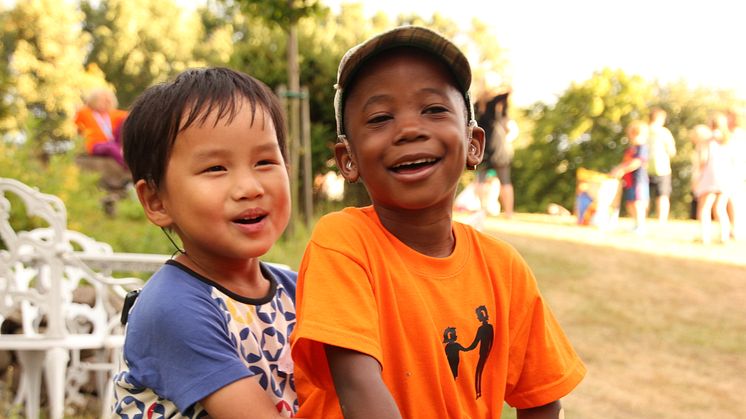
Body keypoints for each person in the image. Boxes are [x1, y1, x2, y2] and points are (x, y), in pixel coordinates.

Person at [291, 26, 586, 419]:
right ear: (349, 160)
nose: (410, 129)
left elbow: (543, 398)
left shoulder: (504, 269)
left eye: (433, 109)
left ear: (474, 145)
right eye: (380, 117)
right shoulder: (343, 243)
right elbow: (357, 386)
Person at [111, 67, 299, 418]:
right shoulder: (172, 308)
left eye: (265, 161)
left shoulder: (298, 289)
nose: (250, 187)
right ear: (156, 201)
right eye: (215, 168)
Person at [475, 85, 518, 218]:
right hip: (498, 147)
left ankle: (482, 209)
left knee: (480, 180)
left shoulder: (476, 106)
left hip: (483, 146)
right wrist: (505, 85)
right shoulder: (493, 104)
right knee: (505, 181)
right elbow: (508, 92)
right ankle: (509, 213)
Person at [694, 112, 734, 244]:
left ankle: (705, 237)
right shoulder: (729, 140)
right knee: (720, 208)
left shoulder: (708, 141)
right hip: (725, 177)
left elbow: (703, 160)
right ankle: (724, 237)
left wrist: (697, 177)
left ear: (711, 124)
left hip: (710, 176)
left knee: (704, 207)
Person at [611, 120, 650, 235]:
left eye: (637, 135)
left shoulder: (641, 148)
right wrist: (617, 169)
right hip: (629, 182)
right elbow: (625, 162)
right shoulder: (630, 149)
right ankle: (635, 224)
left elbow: (636, 162)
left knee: (638, 203)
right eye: (632, 135)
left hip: (638, 181)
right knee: (630, 203)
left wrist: (622, 170)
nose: (634, 138)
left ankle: (641, 225)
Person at [74, 87, 129, 167]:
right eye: (102, 100)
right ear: (94, 100)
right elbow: (77, 125)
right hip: (95, 144)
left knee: (125, 122)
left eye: (108, 100)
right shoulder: (85, 112)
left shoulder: (114, 114)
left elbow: (130, 116)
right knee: (111, 148)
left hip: (113, 142)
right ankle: (127, 166)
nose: (105, 102)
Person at [646, 108, 676, 224]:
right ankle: (661, 220)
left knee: (644, 196)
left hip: (645, 167)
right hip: (662, 168)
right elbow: (672, 151)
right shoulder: (664, 132)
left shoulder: (644, 130)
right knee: (663, 195)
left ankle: (643, 218)